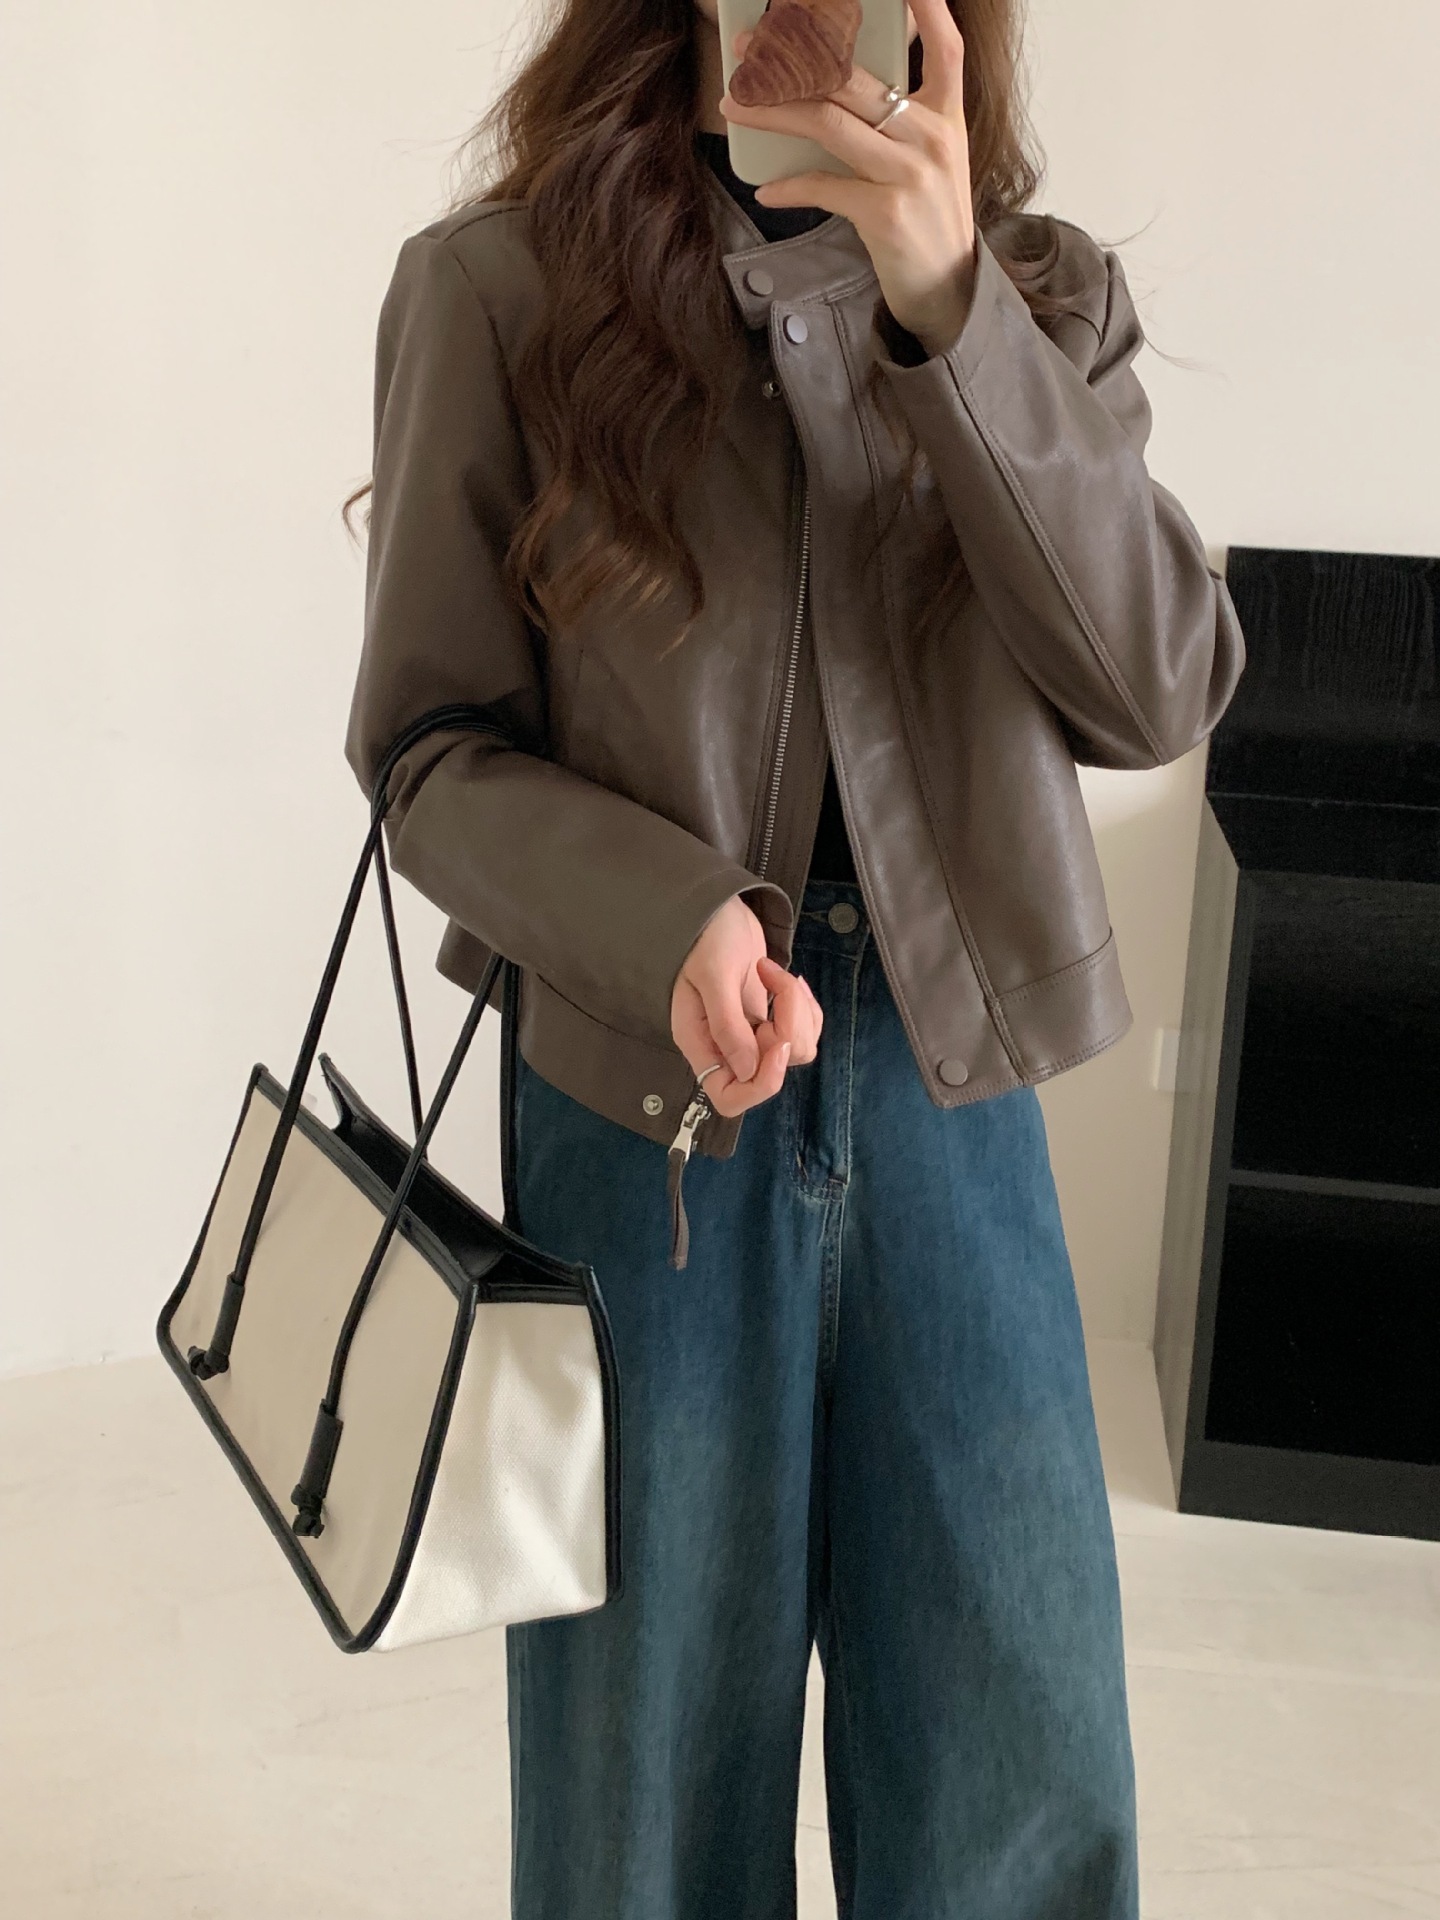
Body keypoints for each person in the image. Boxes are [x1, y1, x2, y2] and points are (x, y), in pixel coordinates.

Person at [342, 0, 1246, 1912]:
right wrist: (665, 915)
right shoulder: (499, 292)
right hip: (643, 1119)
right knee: (642, 1800)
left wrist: (951, 314)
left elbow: (1161, 686)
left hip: (954, 1098)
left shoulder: (1039, 295)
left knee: (1017, 1776)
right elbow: (426, 752)